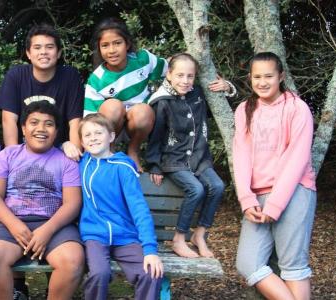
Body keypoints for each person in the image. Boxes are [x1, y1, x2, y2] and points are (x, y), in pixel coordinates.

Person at [84, 18, 236, 172]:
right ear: (99, 48)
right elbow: (89, 119)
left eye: (117, 43)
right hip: (110, 126)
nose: (112, 50)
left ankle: (133, 150)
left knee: (144, 110)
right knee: (113, 106)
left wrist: (222, 83)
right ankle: (110, 151)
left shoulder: (142, 59)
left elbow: (172, 69)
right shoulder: (96, 80)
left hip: (137, 122)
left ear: (127, 44)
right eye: (105, 45)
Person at [0, 101, 85, 300]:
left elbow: (72, 203)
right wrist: (14, 225)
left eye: (49, 124)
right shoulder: (7, 155)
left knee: (73, 260)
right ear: (23, 128)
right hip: (10, 221)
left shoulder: (66, 162)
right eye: (34, 122)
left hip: (54, 224)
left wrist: (48, 230)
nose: (41, 129)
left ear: (56, 131)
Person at [233, 52, 316, 300]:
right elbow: (241, 156)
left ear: (281, 76)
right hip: (256, 199)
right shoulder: (244, 109)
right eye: (257, 77)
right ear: (250, 78)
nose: (262, 82)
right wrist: (246, 200)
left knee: (293, 266)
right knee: (248, 263)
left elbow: (297, 159)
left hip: (293, 192)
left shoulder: (297, 108)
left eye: (269, 76)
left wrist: (276, 204)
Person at [145, 53, 226, 258]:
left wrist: (226, 87)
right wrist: (154, 164)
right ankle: (179, 239)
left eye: (190, 76)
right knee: (196, 189)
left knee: (217, 186)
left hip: (199, 158)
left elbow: (219, 104)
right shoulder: (162, 101)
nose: (185, 81)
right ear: (169, 74)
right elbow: (155, 136)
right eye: (180, 75)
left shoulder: (198, 94)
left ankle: (199, 234)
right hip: (174, 160)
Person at [78, 113, 163, 300]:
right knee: (99, 274)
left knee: (151, 273)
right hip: (94, 235)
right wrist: (66, 145)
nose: (93, 138)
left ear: (111, 136)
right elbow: (60, 150)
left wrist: (150, 250)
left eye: (98, 133)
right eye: (87, 135)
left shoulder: (123, 167)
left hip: (125, 235)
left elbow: (139, 209)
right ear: (82, 142)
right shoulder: (82, 162)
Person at [0, 23, 84, 162]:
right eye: (37, 47)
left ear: (59, 52)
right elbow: (9, 121)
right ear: (29, 54)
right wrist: (13, 158)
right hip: (23, 151)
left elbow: (75, 121)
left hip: (59, 152)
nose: (43, 52)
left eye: (49, 47)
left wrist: (75, 159)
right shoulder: (16, 76)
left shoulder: (70, 76)